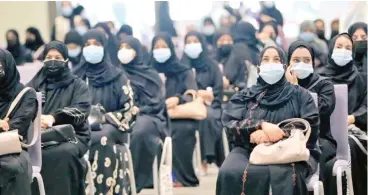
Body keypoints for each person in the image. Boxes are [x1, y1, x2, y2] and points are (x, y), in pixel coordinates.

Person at [216, 46, 320, 195]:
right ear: (258, 68)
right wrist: (259, 126)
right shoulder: (245, 96)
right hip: (248, 149)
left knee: (291, 177)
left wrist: (276, 134)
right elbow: (230, 123)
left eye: (276, 59)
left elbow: (310, 124)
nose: (271, 63)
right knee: (229, 172)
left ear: (284, 66)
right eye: (266, 60)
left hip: (290, 150)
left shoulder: (300, 95)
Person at [73, 29, 136, 194]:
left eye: (96, 44)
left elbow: (129, 109)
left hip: (111, 127)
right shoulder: (76, 76)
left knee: (102, 137)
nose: (91, 48)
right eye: (87, 45)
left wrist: (105, 117)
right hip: (81, 126)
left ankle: (102, 191)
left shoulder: (117, 76)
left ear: (105, 47)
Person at [27, 41, 91, 195]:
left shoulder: (78, 85)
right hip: (39, 138)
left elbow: (81, 110)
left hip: (72, 136)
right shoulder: (35, 84)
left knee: (63, 154)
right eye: (49, 57)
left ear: (66, 60)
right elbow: (23, 107)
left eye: (57, 57)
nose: (53, 61)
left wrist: (53, 118)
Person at [118, 36, 169, 192]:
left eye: (128, 48)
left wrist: (139, 109)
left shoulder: (150, 75)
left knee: (140, 131)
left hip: (148, 115)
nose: (124, 51)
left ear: (137, 52)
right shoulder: (116, 74)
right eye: (121, 47)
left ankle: (132, 183)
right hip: (120, 115)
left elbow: (156, 102)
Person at [286, 40, 337, 195]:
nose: (301, 64)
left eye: (306, 60)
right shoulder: (280, 87)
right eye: (296, 60)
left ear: (313, 62)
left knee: (308, 162)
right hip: (288, 140)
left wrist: (296, 89)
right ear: (288, 63)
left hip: (319, 139)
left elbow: (320, 111)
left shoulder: (324, 84)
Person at [319, 33, 367, 195]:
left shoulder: (361, 79)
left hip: (353, 131)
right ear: (331, 49)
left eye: (348, 48)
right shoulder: (319, 78)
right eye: (339, 47)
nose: (343, 51)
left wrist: (353, 118)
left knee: (349, 145)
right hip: (323, 132)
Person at [151, 32, 199, 187]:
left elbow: (192, 93)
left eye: (163, 46)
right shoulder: (147, 71)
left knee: (183, 129)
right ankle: (151, 177)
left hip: (178, 114)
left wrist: (178, 98)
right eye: (156, 47)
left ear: (171, 48)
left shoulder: (183, 71)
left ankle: (180, 176)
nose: (160, 50)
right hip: (153, 113)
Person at [181, 31, 224, 172]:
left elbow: (218, 89)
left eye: (195, 41)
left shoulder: (211, 65)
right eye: (189, 42)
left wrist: (208, 96)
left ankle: (206, 158)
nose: (192, 45)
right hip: (186, 106)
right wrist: (197, 94)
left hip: (210, 105)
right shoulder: (181, 65)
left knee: (208, 117)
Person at [0, 48, 38, 195]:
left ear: (8, 65)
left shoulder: (26, 95)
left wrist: (4, 126)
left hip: (11, 150)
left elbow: (16, 127)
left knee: (14, 167)